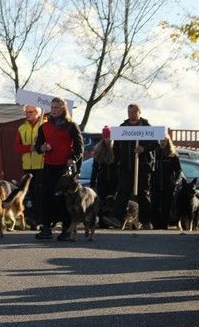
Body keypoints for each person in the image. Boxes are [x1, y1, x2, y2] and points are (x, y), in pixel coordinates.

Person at [33, 97, 83, 240]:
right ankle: (46, 228)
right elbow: (38, 147)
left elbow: (80, 147)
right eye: (52, 107)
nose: (53, 110)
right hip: (48, 166)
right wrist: (42, 147)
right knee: (46, 197)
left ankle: (66, 230)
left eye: (56, 108)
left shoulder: (71, 125)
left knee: (64, 199)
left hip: (64, 168)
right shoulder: (44, 127)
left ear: (63, 109)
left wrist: (72, 159)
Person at [113, 104, 158, 230]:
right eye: (128, 111)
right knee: (122, 192)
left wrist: (144, 148)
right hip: (125, 166)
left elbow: (156, 143)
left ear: (139, 112)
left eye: (133, 111)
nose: (130, 114)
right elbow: (116, 146)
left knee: (143, 193)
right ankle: (118, 219)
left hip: (142, 166)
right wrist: (118, 161)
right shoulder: (123, 128)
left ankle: (146, 221)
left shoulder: (147, 127)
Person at [14, 105, 44, 228]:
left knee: (40, 192)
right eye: (26, 112)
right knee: (29, 192)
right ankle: (30, 218)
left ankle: (40, 218)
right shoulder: (22, 128)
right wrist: (28, 148)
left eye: (30, 112)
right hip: (27, 165)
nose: (27, 114)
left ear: (37, 113)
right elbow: (17, 147)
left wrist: (39, 146)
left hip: (41, 165)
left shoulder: (44, 126)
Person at [151, 132, 182, 230]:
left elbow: (179, 171)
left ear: (168, 141)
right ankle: (156, 226)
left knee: (166, 207)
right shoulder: (155, 153)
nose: (162, 142)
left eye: (164, 140)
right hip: (155, 185)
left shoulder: (173, 156)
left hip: (168, 186)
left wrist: (175, 182)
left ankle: (164, 226)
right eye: (161, 141)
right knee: (155, 206)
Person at [91, 126, 120, 228]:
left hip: (113, 180)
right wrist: (92, 182)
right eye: (106, 137)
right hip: (102, 180)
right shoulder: (98, 149)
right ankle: (102, 221)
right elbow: (95, 167)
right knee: (101, 201)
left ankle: (110, 219)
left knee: (111, 201)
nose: (107, 139)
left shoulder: (116, 149)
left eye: (109, 137)